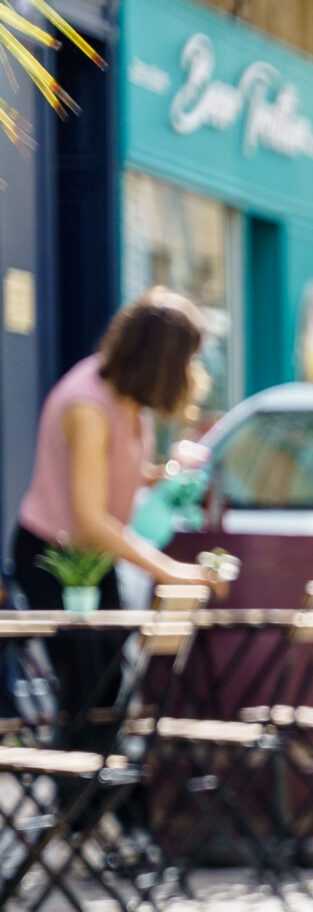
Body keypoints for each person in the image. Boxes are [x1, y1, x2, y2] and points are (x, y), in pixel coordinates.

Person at [11, 288, 211, 741]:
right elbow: (89, 518)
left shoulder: (127, 400)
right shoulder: (88, 406)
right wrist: (170, 570)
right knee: (87, 688)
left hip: (93, 559)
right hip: (54, 557)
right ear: (163, 359)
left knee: (111, 686)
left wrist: (158, 475)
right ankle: (82, 807)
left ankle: (102, 805)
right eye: (188, 361)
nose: (194, 375)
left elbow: (113, 475)